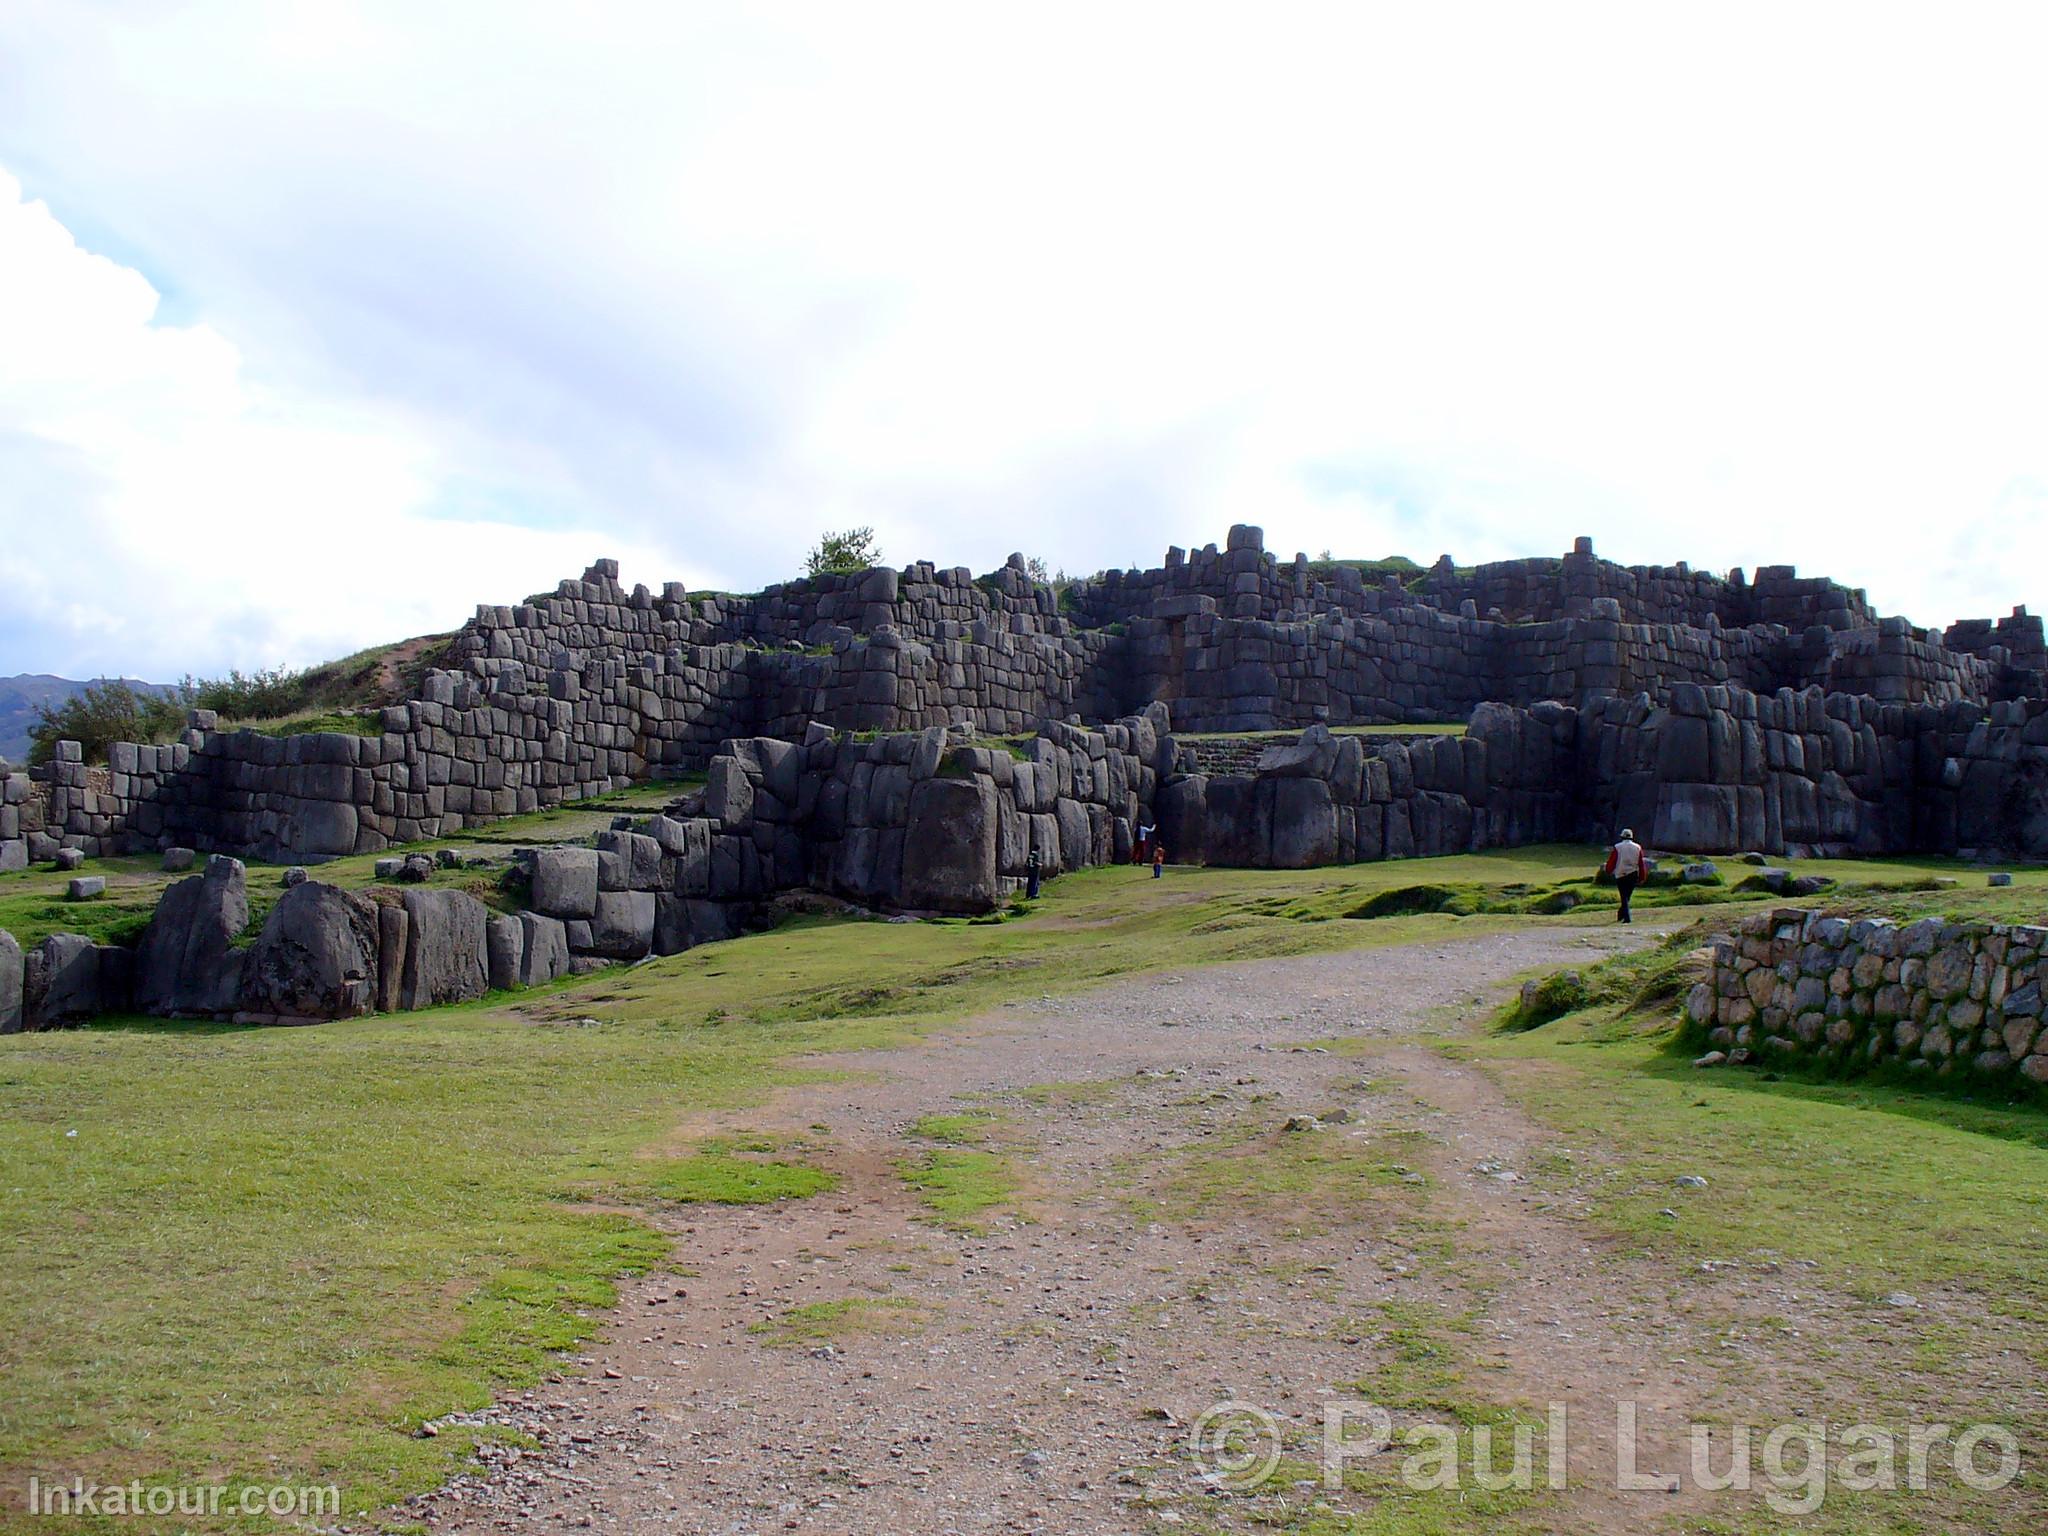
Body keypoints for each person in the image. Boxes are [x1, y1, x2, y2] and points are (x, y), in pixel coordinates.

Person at [1602, 828, 1645, 923]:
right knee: (1627, 897)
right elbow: (1641, 863)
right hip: (1633, 874)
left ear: (1622, 836)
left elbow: (1613, 860)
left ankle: (1627, 918)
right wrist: (1642, 876)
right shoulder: (1637, 847)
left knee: (1624, 896)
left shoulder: (1618, 847)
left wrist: (1608, 870)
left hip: (1621, 874)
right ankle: (1621, 915)